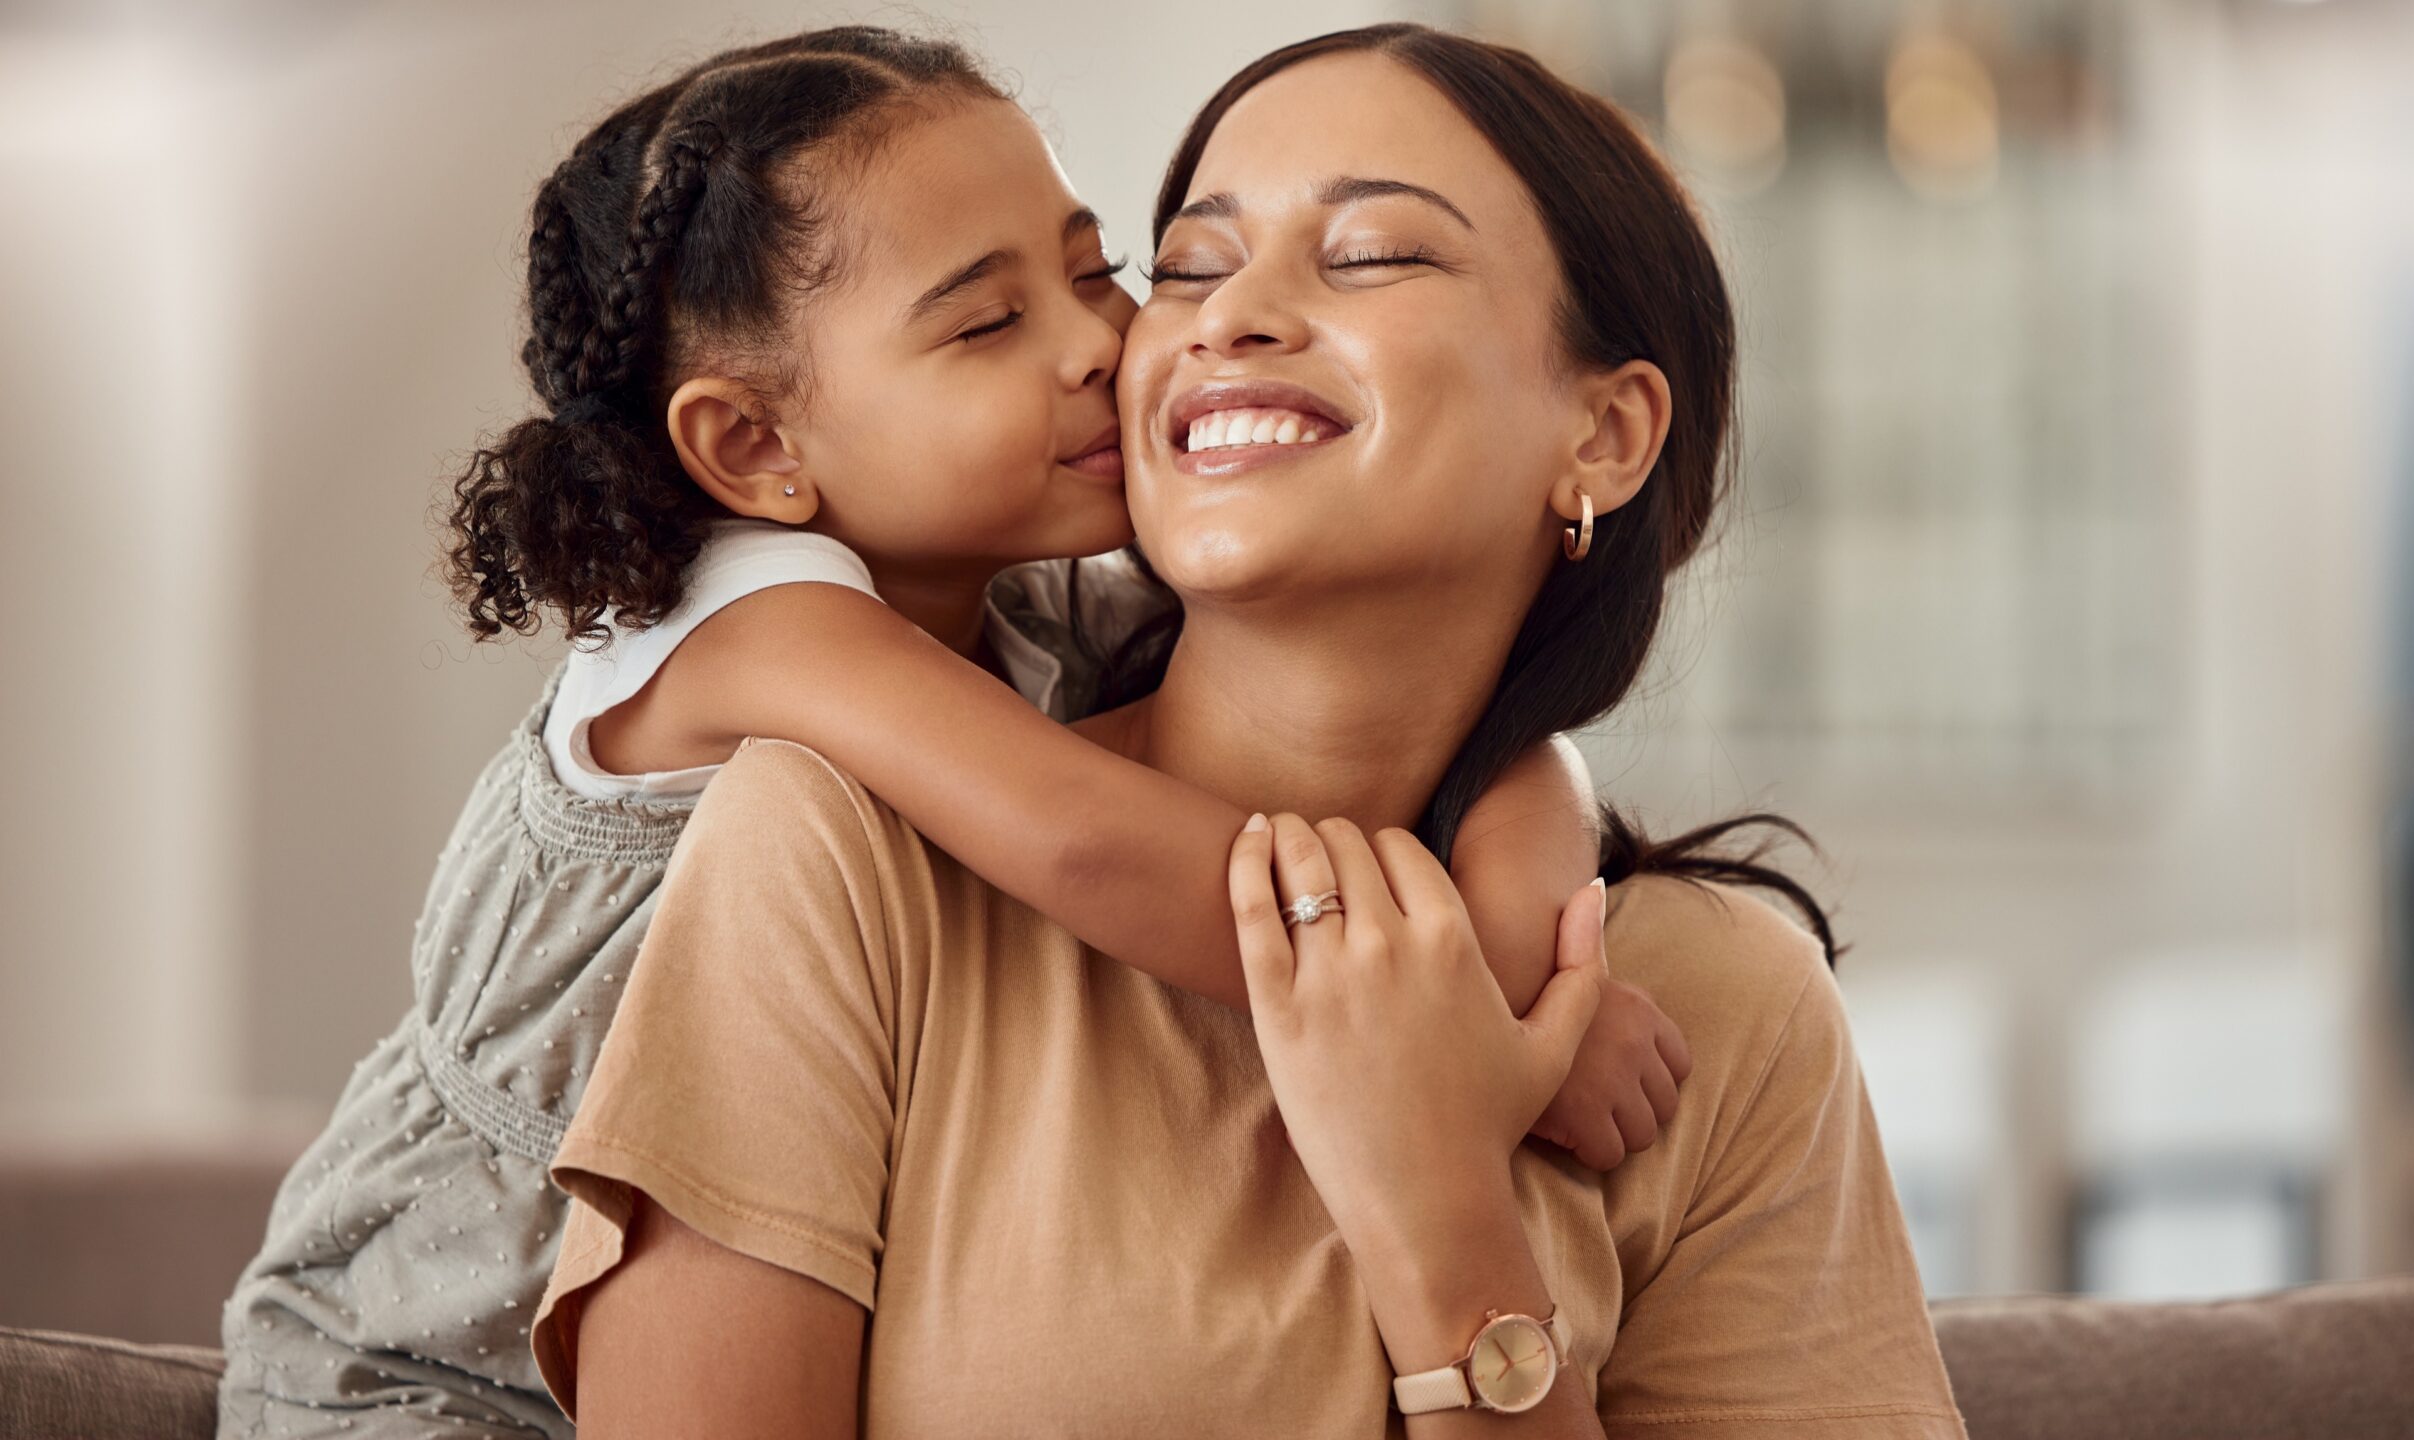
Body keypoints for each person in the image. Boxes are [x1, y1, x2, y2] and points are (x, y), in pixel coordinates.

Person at [217, 26, 1685, 1438]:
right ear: (757, 449)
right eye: (987, 323)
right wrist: (1472, 1020)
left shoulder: (1035, 607)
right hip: (418, 1375)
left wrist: (1523, 874)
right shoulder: (761, 630)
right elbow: (1095, 841)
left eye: (1099, 271)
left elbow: (1478, 733)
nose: (1099, 346)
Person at [532, 23, 1967, 1438]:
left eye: (1373, 253)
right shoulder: (836, 847)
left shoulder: (1722, 1010)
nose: (1220, 317)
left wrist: (1445, 1228)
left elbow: (1515, 759)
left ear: (1603, 434)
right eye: (1194, 265)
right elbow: (1085, 837)